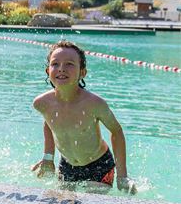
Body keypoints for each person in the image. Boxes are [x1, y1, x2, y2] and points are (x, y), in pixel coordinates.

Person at [31, 40, 137, 194]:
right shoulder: (42, 103)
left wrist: (123, 176)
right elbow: (49, 122)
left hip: (99, 165)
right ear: (48, 71)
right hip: (67, 166)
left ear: (82, 73)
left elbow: (116, 131)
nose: (61, 69)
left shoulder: (94, 104)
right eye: (55, 64)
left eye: (69, 64)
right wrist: (48, 157)